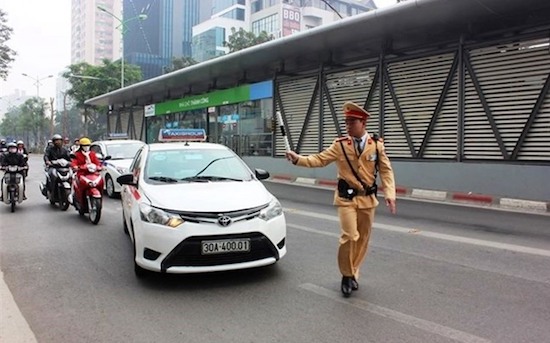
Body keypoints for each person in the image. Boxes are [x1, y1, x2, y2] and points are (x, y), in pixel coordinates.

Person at [285, 101, 397, 298]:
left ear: (363, 123)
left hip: (368, 200)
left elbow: (386, 171)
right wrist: (298, 159)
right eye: (346, 122)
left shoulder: (377, 146)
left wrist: (390, 194)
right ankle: (346, 275)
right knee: (349, 236)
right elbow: (319, 159)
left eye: (352, 122)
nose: (348, 126)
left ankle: (354, 271)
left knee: (362, 239)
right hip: (346, 199)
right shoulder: (340, 145)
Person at [70, 137, 102, 204]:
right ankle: (78, 198)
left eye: (88, 145)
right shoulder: (77, 154)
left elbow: (97, 163)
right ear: (81, 146)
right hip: (82, 173)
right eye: (84, 146)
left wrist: (100, 167)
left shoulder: (92, 154)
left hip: (93, 174)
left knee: (101, 181)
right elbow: (74, 162)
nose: (86, 147)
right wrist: (75, 166)